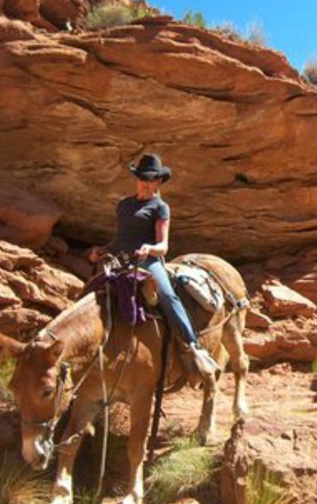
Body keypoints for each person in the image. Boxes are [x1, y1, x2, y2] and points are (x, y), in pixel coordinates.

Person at [89, 153, 221, 377]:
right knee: (91, 293)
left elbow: (163, 245)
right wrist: (101, 250)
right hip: (120, 260)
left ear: (159, 181)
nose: (147, 184)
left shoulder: (160, 207)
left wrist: (149, 249)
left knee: (168, 297)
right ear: (137, 179)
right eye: (143, 178)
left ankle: (192, 347)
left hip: (147, 261)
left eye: (152, 180)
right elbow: (119, 239)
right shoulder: (123, 205)